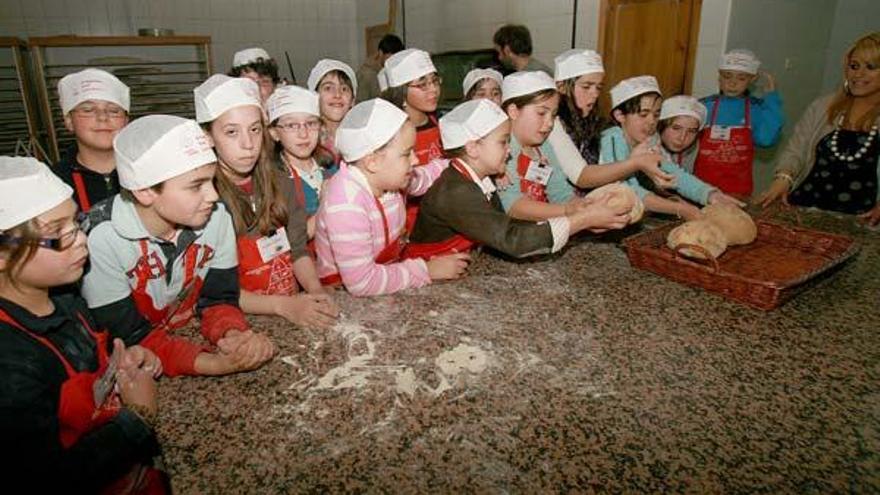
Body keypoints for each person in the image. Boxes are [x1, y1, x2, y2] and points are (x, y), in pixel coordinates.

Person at [0, 157, 165, 492]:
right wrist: (136, 420)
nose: (81, 240)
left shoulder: (65, 297)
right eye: (57, 234)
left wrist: (121, 365)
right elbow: (43, 478)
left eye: (76, 224)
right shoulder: (10, 363)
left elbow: (88, 372)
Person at [82, 115, 274, 377]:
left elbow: (218, 298)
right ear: (145, 191)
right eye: (196, 186)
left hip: (177, 337)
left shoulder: (217, 217)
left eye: (212, 180)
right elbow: (127, 337)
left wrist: (232, 335)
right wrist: (212, 364)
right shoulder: (101, 239)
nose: (214, 195)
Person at [195, 75, 338, 329]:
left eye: (254, 129)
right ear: (207, 136)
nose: (247, 144)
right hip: (242, 321)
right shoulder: (206, 202)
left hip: (290, 309)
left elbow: (297, 249)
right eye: (231, 132)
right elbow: (216, 292)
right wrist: (284, 307)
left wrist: (316, 292)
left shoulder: (279, 183)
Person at [407, 99, 631, 259]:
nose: (509, 150)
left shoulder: (478, 180)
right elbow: (512, 239)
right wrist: (582, 220)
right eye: (503, 142)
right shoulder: (456, 191)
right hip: (428, 271)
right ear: (473, 148)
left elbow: (502, 225)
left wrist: (581, 215)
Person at [314, 99, 470, 296]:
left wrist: (463, 163)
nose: (415, 160)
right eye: (406, 154)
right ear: (372, 161)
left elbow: (427, 176)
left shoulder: (391, 177)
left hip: (388, 274)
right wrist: (427, 270)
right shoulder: (345, 204)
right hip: (343, 292)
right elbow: (362, 283)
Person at [758, 32, 880, 226]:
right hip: (804, 210)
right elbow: (796, 150)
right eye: (854, 66)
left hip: (861, 221)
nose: (858, 74)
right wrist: (783, 178)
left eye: (871, 67)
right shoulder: (823, 107)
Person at [600, 76, 743, 220]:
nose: (651, 121)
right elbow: (627, 190)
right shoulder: (612, 138)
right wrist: (680, 209)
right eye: (643, 114)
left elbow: (673, 174)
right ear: (620, 115)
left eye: (656, 115)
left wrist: (710, 194)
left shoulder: (649, 142)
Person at [550, 49, 673, 194]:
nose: (594, 94)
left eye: (598, 87)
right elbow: (582, 176)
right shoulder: (552, 124)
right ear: (562, 87)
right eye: (586, 87)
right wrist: (634, 163)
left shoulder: (589, 124)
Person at [694, 49, 784, 197]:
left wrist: (772, 99)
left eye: (741, 78)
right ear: (719, 77)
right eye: (727, 76)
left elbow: (766, 140)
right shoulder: (704, 106)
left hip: (738, 191)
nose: (732, 83)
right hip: (700, 188)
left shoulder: (756, 108)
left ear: (752, 80)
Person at [380, 48, 448, 231]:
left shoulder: (441, 123)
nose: (433, 89)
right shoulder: (391, 135)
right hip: (410, 223)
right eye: (422, 84)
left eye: (435, 81)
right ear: (402, 92)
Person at [53, 68, 129, 212]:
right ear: (69, 121)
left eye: (114, 111)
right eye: (88, 110)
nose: (102, 117)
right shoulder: (53, 182)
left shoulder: (151, 171)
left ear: (126, 121)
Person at [307, 59, 358, 166]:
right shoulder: (306, 140)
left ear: (352, 101)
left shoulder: (362, 140)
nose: (337, 95)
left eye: (344, 89)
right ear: (314, 97)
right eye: (328, 88)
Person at [356, 33, 405, 102]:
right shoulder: (366, 75)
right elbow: (360, 105)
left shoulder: (394, 71)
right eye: (391, 58)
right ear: (381, 53)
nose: (393, 63)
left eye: (396, 59)